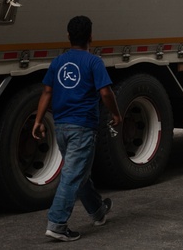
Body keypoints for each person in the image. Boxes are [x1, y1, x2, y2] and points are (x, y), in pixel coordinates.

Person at [32, 15, 122, 242]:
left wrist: (38, 120)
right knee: (73, 174)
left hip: (61, 126)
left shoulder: (58, 62)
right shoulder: (94, 62)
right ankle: (57, 224)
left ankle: (98, 211)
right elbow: (105, 92)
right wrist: (115, 113)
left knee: (79, 172)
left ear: (68, 36)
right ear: (91, 36)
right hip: (82, 127)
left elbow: (47, 92)